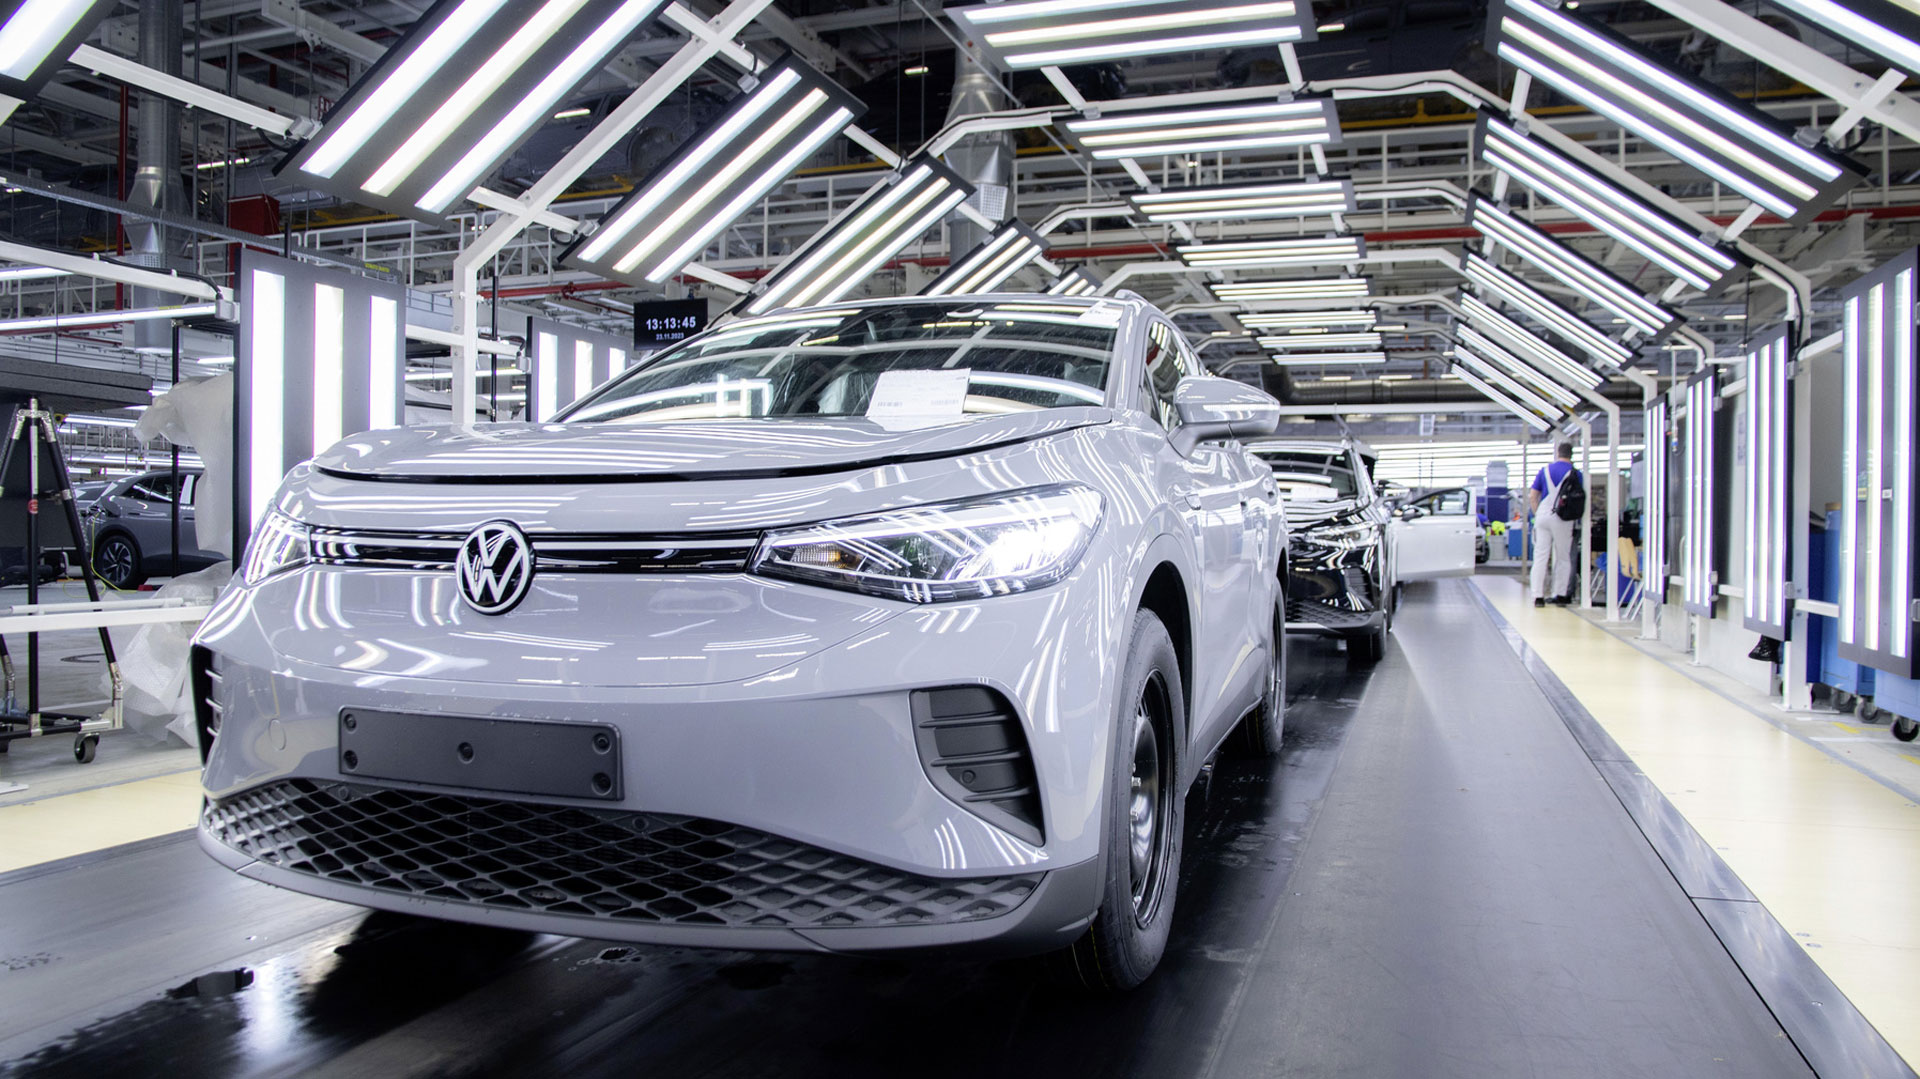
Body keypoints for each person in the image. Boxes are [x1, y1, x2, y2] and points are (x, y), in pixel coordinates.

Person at [1528, 441, 1581, 608]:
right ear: (1571, 455)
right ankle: (1560, 594)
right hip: (1563, 518)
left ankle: (1538, 596)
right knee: (1563, 557)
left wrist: (1537, 514)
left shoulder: (1544, 471)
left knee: (1540, 557)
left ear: (1558, 453)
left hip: (1543, 516)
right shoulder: (1576, 473)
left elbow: (1532, 496)